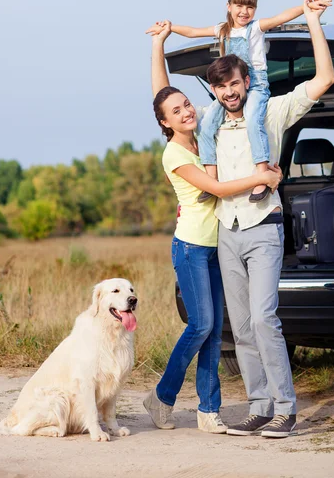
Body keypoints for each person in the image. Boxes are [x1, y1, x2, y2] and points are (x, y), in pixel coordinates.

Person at [149, 0, 334, 438]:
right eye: (222, 88)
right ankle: (258, 405)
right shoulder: (208, 125)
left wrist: (310, 21)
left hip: (263, 229)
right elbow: (164, 103)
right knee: (243, 325)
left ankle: (285, 410)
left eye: (235, 84)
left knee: (265, 319)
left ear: (246, 81)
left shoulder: (268, 112)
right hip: (225, 234)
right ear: (214, 91)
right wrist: (159, 43)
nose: (229, 93)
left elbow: (324, 79)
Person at [143, 24, 282, 434]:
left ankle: (209, 409)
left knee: (214, 329)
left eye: (187, 104)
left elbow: (163, 95)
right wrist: (266, 180)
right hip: (190, 247)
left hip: (220, 240)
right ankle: (163, 396)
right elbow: (218, 187)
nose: (185, 111)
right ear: (164, 123)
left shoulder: (204, 130)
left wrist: (160, 45)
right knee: (201, 325)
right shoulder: (173, 152)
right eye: (176, 112)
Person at [147, 0, 331, 203]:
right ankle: (210, 175)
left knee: (254, 120)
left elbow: (280, 18)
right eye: (239, 5)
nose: (244, 11)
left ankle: (260, 175)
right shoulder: (222, 31)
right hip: (224, 225)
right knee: (206, 128)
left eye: (250, 7)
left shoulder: (255, 31)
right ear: (229, 6)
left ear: (244, 81)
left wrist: (306, 10)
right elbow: (165, 100)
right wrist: (167, 32)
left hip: (259, 85)